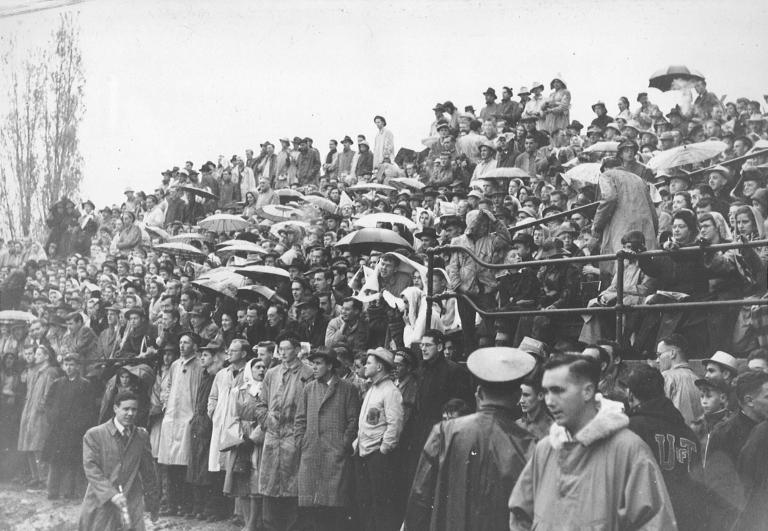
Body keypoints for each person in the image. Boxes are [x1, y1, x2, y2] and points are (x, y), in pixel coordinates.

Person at [508, 355, 677, 530]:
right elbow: (520, 513)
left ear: (587, 391)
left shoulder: (628, 449)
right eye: (547, 391)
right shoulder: (546, 449)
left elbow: (656, 523)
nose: (549, 401)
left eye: (558, 390)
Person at [405, 346, 536, 531]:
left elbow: (420, 495)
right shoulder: (529, 444)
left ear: (479, 393)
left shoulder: (444, 432)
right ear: (516, 396)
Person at [623, 364, 708, 531]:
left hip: (648, 521)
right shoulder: (688, 433)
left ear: (630, 395)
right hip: (687, 520)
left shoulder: (630, 429)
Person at [294, 348, 361, 531]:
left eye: (318, 364)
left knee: (333, 505)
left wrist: (343, 445)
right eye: (313, 363)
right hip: (311, 453)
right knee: (311, 505)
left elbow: (353, 421)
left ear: (330, 365)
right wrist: (302, 442)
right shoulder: (309, 389)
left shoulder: (348, 389)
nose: (314, 368)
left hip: (335, 455)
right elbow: (300, 419)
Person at [254, 333, 314, 531]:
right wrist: (266, 421)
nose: (283, 352)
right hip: (272, 437)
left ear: (297, 350)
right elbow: (260, 403)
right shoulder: (272, 373)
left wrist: (300, 433)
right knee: (270, 484)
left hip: (294, 436)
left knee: (292, 484)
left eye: (287, 348)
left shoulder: (307, 373)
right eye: (280, 349)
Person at [79, 391, 159, 531]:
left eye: (134, 409)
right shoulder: (95, 435)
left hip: (131, 501)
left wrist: (153, 503)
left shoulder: (141, 436)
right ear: (115, 408)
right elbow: (92, 470)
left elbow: (148, 473)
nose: (130, 413)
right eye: (126, 409)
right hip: (101, 500)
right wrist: (112, 494)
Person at [353, 347, 404, 531]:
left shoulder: (390, 391)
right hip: (364, 452)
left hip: (377, 456)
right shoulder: (372, 389)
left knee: (380, 502)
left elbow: (395, 425)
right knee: (365, 500)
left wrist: (383, 450)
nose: (365, 366)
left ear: (380, 367)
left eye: (369, 363)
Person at [157, 332, 204, 517]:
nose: (182, 346)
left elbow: (200, 392)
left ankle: (186, 505)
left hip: (187, 418)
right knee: (170, 465)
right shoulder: (175, 365)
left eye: (186, 343)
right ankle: (171, 504)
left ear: (194, 346)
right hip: (171, 418)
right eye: (181, 342)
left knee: (185, 465)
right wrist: (165, 404)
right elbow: (166, 387)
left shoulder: (199, 365)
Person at [42, 353, 94, 500]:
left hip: (74, 430)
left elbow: (89, 409)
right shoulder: (58, 383)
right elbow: (48, 403)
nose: (69, 367)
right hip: (58, 428)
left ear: (78, 366)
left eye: (72, 364)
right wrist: (52, 418)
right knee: (55, 460)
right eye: (66, 364)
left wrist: (79, 424)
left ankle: (68, 491)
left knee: (71, 461)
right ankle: (52, 491)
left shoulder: (85, 384)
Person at [593, 162, 658, 274]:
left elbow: (609, 197)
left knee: (622, 270)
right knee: (645, 271)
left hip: (621, 230)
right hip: (646, 231)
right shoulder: (638, 178)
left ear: (605, 169)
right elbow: (652, 208)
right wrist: (654, 230)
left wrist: (597, 226)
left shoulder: (606, 175)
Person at [17, 344, 60, 490]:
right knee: (29, 443)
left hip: (40, 413)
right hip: (30, 410)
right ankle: (35, 477)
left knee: (39, 445)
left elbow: (49, 394)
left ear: (47, 356)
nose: (35, 356)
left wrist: (42, 407)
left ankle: (43, 478)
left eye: (39, 354)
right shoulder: (35, 371)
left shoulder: (50, 372)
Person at [656, 334, 705, 424]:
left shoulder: (665, 377)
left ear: (673, 353)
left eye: (659, 355)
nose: (657, 360)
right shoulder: (697, 379)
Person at [516, 366, 553, 441]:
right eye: (520, 395)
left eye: (526, 395)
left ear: (540, 396)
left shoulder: (552, 427)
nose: (521, 401)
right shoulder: (518, 424)